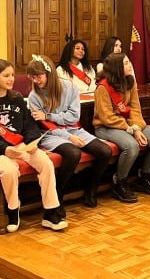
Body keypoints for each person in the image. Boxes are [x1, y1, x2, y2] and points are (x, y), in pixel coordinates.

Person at [0, 59, 66, 233]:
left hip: (20, 144)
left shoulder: (17, 99)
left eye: (13, 75)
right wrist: (5, 149)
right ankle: (13, 210)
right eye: (6, 75)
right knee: (9, 170)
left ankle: (51, 212)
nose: (11, 79)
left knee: (46, 163)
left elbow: (29, 125)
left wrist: (31, 143)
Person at [27, 54, 112, 209]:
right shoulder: (34, 96)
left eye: (38, 76)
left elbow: (73, 116)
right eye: (32, 77)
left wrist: (49, 116)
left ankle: (90, 188)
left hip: (73, 129)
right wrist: (67, 135)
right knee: (73, 153)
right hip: (50, 135)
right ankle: (57, 193)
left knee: (105, 151)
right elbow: (45, 126)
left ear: (49, 74)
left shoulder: (69, 87)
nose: (35, 81)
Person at [93, 53, 150, 203]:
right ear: (117, 67)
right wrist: (131, 130)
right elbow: (107, 117)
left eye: (129, 62)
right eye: (126, 63)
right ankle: (120, 183)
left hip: (129, 124)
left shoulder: (130, 82)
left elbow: (135, 109)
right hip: (106, 126)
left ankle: (144, 177)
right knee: (131, 146)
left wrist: (136, 127)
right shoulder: (103, 87)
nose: (130, 65)